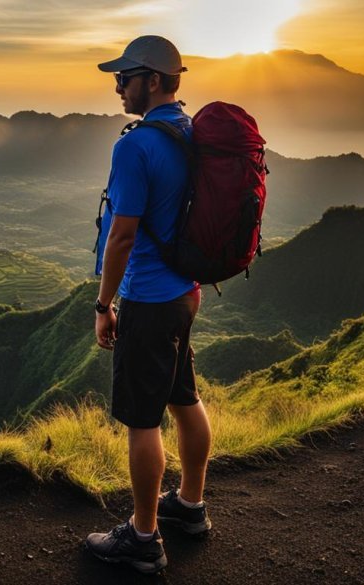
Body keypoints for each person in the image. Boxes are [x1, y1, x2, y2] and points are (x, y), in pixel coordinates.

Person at [85, 35, 213, 575]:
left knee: (142, 421)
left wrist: (103, 304)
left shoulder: (135, 145)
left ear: (153, 81)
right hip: (186, 294)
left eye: (125, 77)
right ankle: (189, 506)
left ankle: (142, 538)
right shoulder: (189, 133)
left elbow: (121, 236)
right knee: (184, 397)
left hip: (149, 298)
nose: (117, 86)